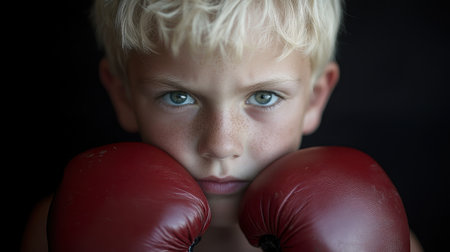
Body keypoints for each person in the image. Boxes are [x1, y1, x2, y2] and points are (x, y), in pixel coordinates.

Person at [21, 0, 423, 251]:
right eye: (178, 97)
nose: (221, 145)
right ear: (123, 95)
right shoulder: (58, 227)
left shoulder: (373, 233)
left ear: (315, 97)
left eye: (263, 97)